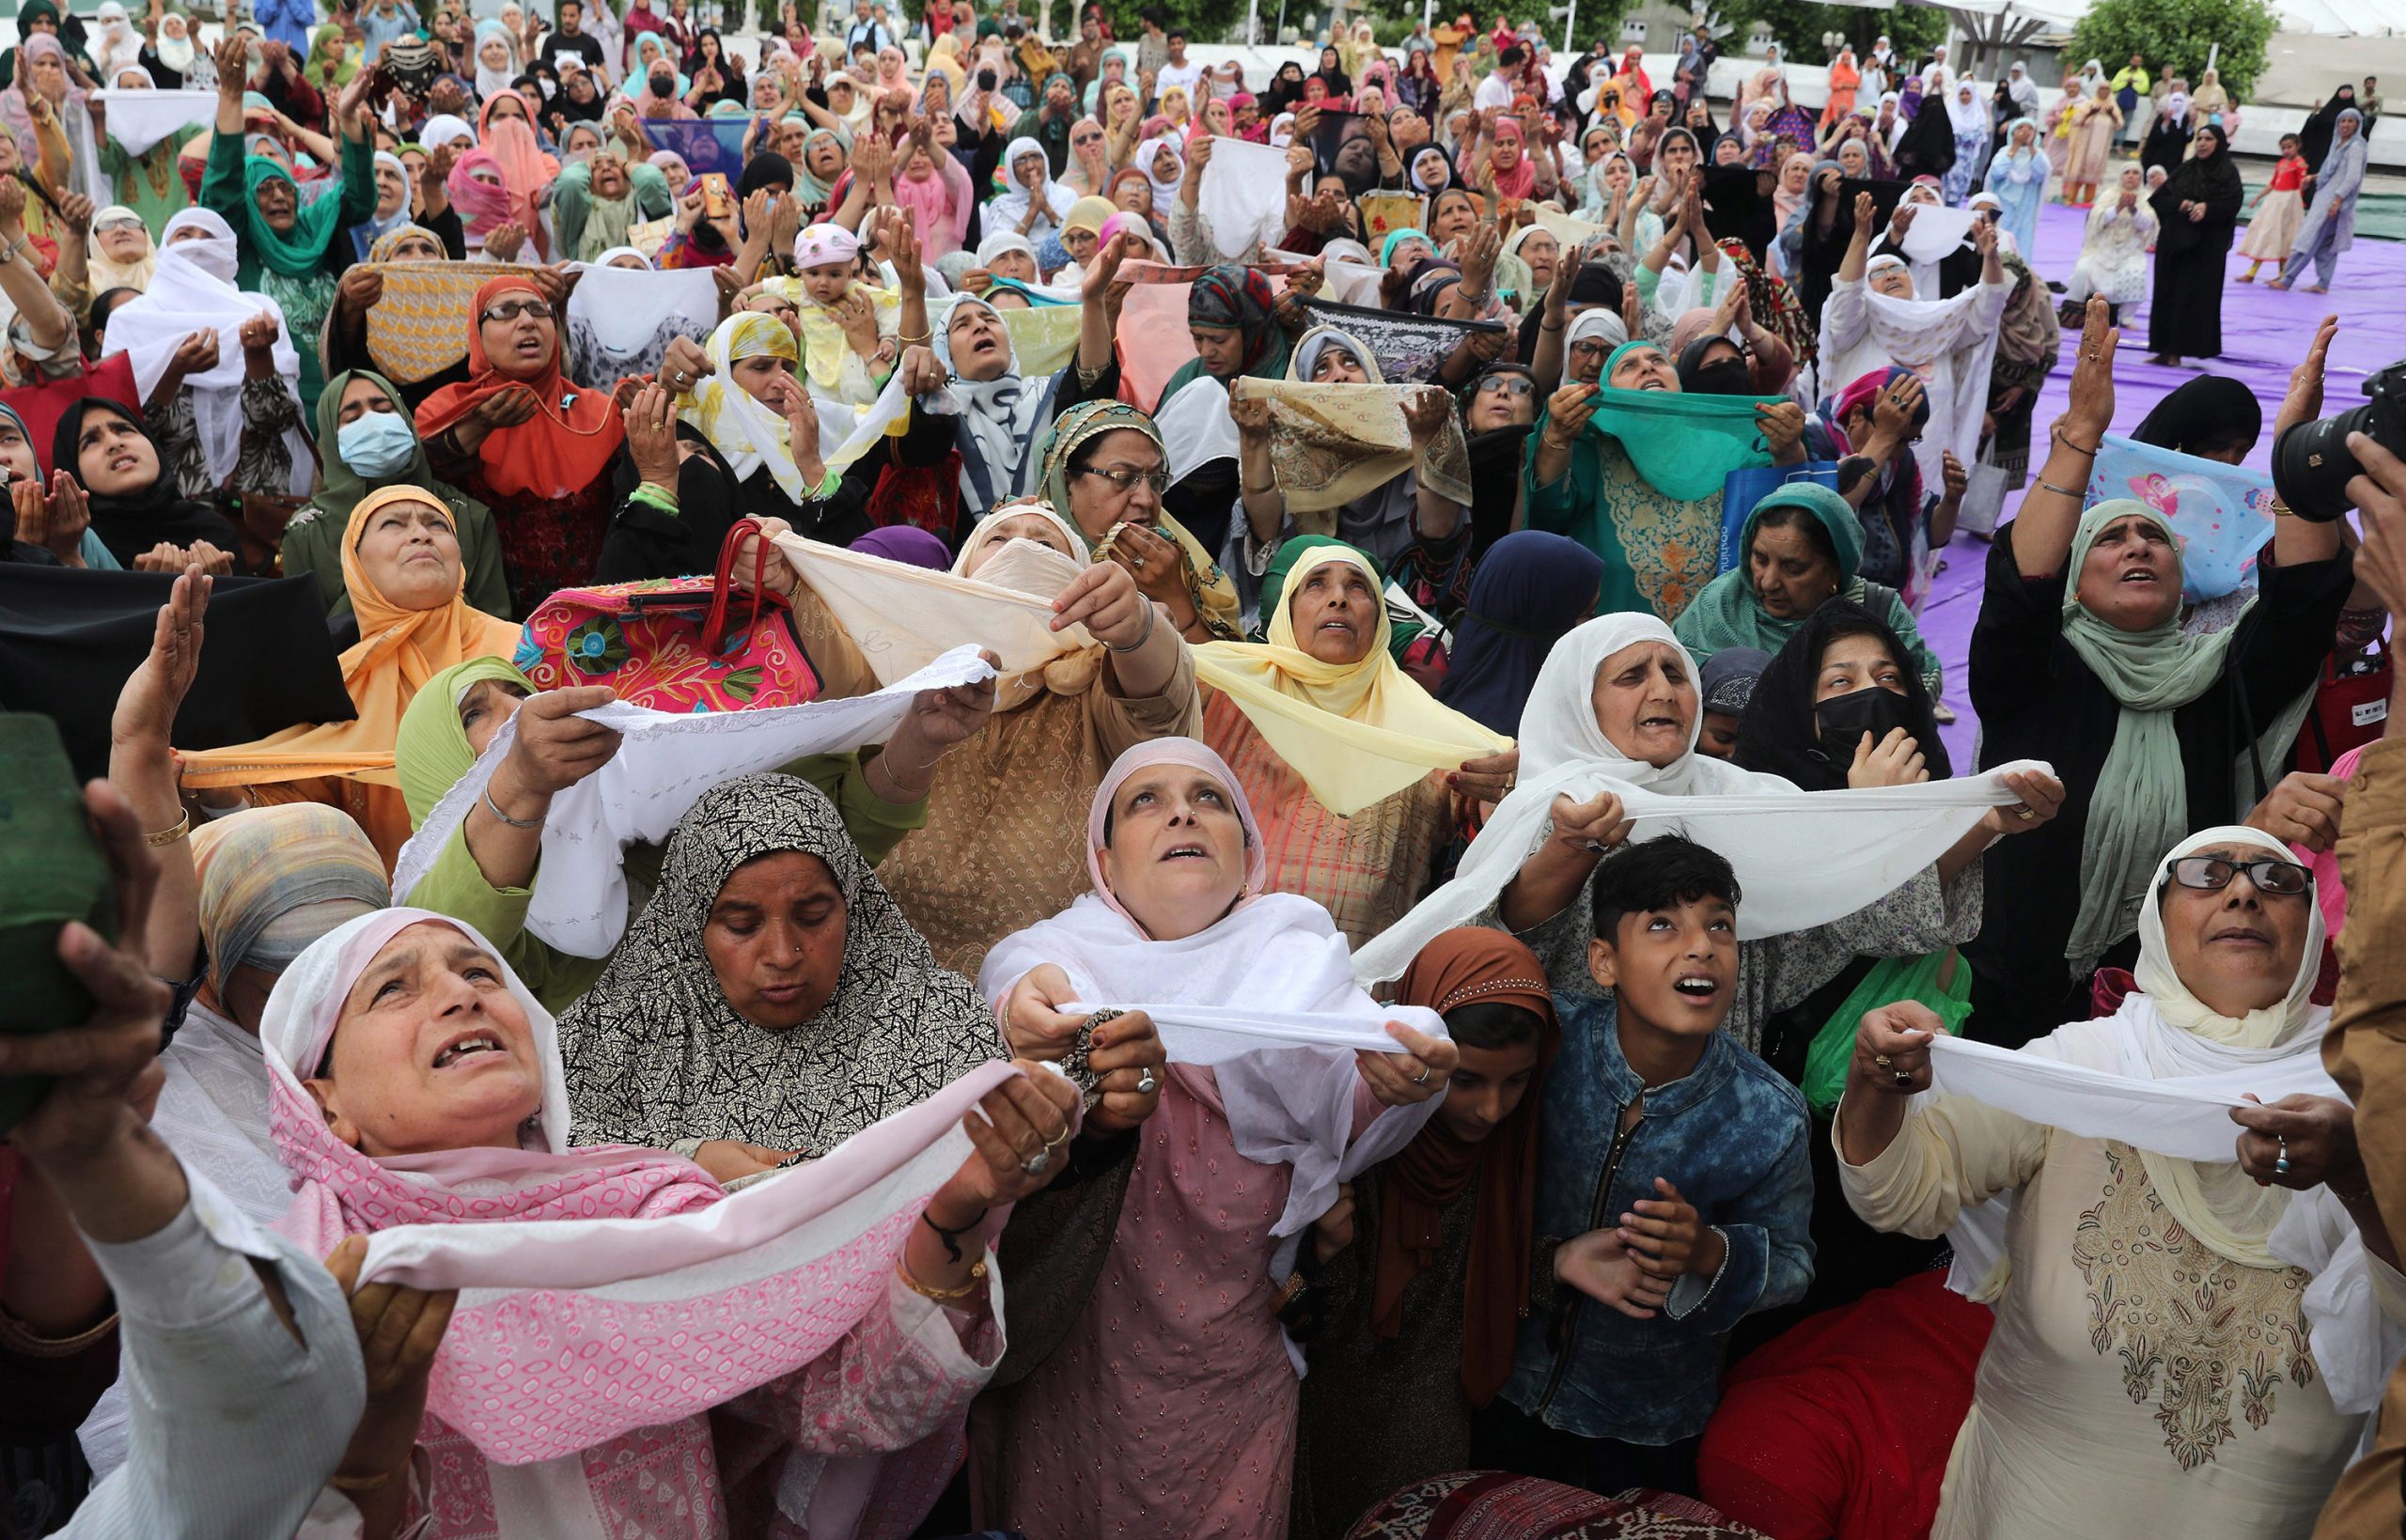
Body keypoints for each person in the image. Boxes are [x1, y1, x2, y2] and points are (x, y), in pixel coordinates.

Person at [266, 899, 1061, 1537]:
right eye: (393, 988)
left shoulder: (654, 1211)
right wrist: (364, 1460)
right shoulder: (296, 1290)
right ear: (322, 1101)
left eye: (480, 969)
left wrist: (950, 1220)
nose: (461, 991)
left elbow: (846, 1404)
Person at [967, 736, 1457, 1540]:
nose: (1182, 811)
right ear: (1107, 863)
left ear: (1247, 854)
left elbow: (1351, 1086)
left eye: (1209, 797)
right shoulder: (1058, 957)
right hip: (1075, 1368)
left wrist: (1400, 1079)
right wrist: (1025, 1004)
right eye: (1146, 800)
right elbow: (1019, 977)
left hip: (1230, 1379)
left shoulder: (1296, 963)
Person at [1838, 827, 2382, 1538]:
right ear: (2155, 919)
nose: (2244, 891)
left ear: (2313, 927)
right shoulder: (2083, 1066)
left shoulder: (2369, 1092)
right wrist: (1876, 1081)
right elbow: (1898, 1191)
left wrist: (2353, 1173)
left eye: (2278, 882)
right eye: (2208, 874)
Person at [2, 777, 391, 1540]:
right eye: (282, 968)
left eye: (354, 968)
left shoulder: (417, 1056)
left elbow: (36, 1381)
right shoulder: (158, 1091)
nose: (318, 998)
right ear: (221, 962)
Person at [1961, 302, 2355, 1046]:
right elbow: (2021, 584)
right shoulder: (2036, 667)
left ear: (2182, 580)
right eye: (2110, 537)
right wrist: (2080, 434)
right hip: (2014, 977)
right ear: (2077, 579)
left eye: (2155, 536)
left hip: (2170, 994)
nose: (2137, 545)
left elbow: (2302, 605)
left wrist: (2295, 452)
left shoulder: (2217, 676)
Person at [1471, 835, 1812, 1500]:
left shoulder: (1770, 1115)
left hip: (1651, 1427)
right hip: (1504, 1387)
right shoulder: (1548, 1047)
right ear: (1604, 960)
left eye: (1720, 924)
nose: (1701, 945)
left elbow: (1795, 1264)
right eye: (1663, 924)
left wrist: (1711, 1250)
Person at [1289, 927, 1559, 1540]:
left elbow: (1491, 1267)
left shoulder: (1509, 1148)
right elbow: (1290, 1305)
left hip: (1436, 1416)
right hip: (1324, 1411)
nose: (1491, 1108)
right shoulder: (1357, 1135)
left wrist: (1559, 1263)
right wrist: (1323, 1251)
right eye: (1465, 1080)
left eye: (1515, 1081)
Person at [174, 484, 519, 866]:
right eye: (394, 524)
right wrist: (220, 788)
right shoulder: (333, 682)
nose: (421, 533)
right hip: (398, 914)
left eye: (438, 525)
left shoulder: (528, 648)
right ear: (356, 565)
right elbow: (305, 814)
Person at [1525, 336, 1806, 622]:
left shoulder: (1727, 449)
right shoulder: (1595, 446)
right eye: (1628, 366)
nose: (1647, 368)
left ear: (1678, 380)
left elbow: (1783, 507)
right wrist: (1558, 435)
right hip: (1616, 633)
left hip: (1714, 639)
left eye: (1657, 360)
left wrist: (1789, 448)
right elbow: (1550, 511)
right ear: (1608, 390)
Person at [415, 272, 624, 616]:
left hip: (597, 626)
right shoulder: (445, 411)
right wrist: (477, 427)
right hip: (490, 623)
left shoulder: (600, 411)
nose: (527, 321)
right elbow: (417, 482)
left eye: (538, 310)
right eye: (506, 312)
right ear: (477, 335)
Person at [198, 32, 374, 413]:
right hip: (270, 408)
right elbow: (222, 188)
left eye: (285, 186)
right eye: (264, 189)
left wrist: (347, 121)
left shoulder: (315, 228)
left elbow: (359, 200)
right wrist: (230, 99)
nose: (279, 196)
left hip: (341, 400)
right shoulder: (239, 240)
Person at [1820, 193, 2008, 505]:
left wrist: (1990, 258)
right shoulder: (1857, 324)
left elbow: (1987, 311)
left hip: (1928, 457)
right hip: (1861, 460)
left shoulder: (1940, 325)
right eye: (1877, 274)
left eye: (1897, 270)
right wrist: (1862, 234)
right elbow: (1847, 291)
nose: (1890, 275)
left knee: (1917, 530)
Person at [1675, 483, 1943, 699]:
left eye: (1793, 568)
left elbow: (1920, 684)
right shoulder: (1719, 605)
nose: (1768, 582)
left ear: (1835, 569)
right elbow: (1675, 684)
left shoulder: (1878, 612)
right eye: (1760, 559)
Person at [286, 367, 508, 627]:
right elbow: (306, 643)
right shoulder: (307, 533)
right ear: (331, 440)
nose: (373, 424)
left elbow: (496, 628)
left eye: (383, 410)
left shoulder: (467, 516)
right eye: (352, 417)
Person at [1435, 530, 1606, 738]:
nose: (1596, 627)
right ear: (1546, 623)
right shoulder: (1516, 742)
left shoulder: (1447, 701)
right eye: (1589, 614)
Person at [2146, 123, 2242, 366]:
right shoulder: (2186, 169)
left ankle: (2178, 350)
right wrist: (2183, 204)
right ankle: (2164, 348)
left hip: (2204, 250)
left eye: (2208, 139)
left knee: (2190, 298)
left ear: (2218, 143)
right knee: (2167, 294)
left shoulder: (2227, 173)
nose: (2201, 143)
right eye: (2199, 138)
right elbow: (2160, 198)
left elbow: (2232, 204)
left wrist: (2207, 208)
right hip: (2175, 245)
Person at [2274, 108, 2367, 296]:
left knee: (2309, 239)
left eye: (2351, 121)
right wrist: (2313, 178)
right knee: (2325, 244)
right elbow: (2335, 173)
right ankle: (2323, 283)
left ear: (2357, 125)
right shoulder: (2339, 144)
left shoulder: (2355, 146)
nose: (2346, 125)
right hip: (2326, 198)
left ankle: (2287, 279)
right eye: (2342, 121)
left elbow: (2352, 177)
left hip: (2331, 202)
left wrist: (2337, 200)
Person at [2062, 163, 2158, 324]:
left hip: (2130, 250)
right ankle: (2074, 311)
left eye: (2135, 173)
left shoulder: (2146, 198)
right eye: (2127, 172)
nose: (2131, 176)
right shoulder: (2108, 195)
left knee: (2136, 274)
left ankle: (2126, 317)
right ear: (2121, 176)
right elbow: (2096, 220)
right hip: (2103, 247)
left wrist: (2133, 210)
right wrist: (2119, 207)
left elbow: (2148, 224)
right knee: (2083, 269)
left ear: (2140, 178)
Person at [2238, 132, 2307, 283]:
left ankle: (2281, 275)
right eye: (2283, 148)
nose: (2286, 151)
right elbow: (2273, 183)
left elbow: (2302, 184)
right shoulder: (2281, 163)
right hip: (2275, 201)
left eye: (2289, 147)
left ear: (2297, 146)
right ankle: (2252, 272)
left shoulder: (2300, 164)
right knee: (2266, 233)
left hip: (2288, 203)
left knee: (2284, 236)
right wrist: (2258, 196)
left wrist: (2304, 185)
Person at [1983, 117, 2047, 254]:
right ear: (2012, 133)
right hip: (2003, 204)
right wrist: (2015, 147)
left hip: (2026, 206)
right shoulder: (2004, 153)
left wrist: (2031, 147)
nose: (2025, 131)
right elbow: (1997, 173)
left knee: (2023, 241)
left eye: (2030, 129)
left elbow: (2040, 174)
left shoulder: (2039, 156)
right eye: (2020, 128)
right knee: (2000, 237)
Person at [2060, 81, 2120, 206]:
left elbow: (2119, 124)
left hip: (2101, 148)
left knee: (2093, 175)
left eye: (2106, 89)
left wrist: (2111, 116)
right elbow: (2076, 120)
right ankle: (2071, 199)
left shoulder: (2113, 106)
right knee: (2079, 171)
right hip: (2085, 146)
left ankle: (2088, 201)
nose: (2103, 92)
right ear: (2097, 91)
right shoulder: (2089, 104)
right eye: (2101, 89)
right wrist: (2090, 114)